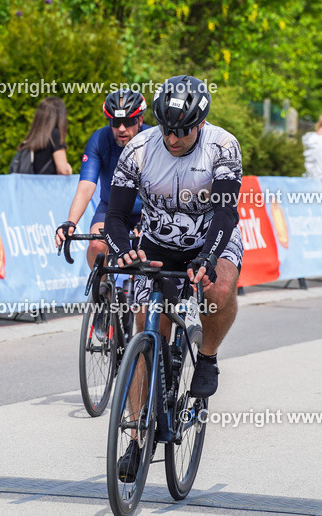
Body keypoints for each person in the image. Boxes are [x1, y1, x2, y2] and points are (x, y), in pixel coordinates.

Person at [103, 75, 243, 480]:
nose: (174, 137)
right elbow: (115, 217)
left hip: (210, 236)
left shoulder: (222, 145)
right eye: (167, 129)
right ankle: (134, 438)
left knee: (218, 287)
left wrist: (208, 255)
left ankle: (208, 358)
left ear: (199, 123)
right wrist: (121, 249)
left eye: (183, 130)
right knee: (143, 325)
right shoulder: (139, 149)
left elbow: (225, 213)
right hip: (159, 242)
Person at [55, 89, 150, 267]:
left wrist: (147, 220)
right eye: (115, 122)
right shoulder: (99, 140)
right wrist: (71, 222)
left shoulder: (154, 140)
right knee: (96, 245)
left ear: (140, 120)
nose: (121, 128)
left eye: (128, 122)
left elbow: (163, 187)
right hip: (111, 207)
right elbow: (85, 188)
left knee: (148, 254)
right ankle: (103, 288)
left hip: (148, 208)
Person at [13, 97, 72, 175]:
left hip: (31, 185)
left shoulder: (33, 136)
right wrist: (68, 168)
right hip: (49, 185)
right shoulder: (55, 135)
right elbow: (63, 169)